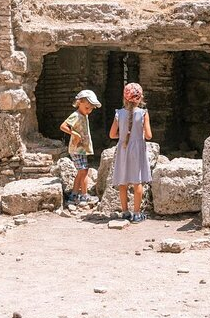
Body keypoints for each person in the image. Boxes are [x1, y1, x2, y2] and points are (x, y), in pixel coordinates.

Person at [109, 82, 152, 223]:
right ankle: (137, 213)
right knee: (137, 181)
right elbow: (149, 136)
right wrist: (141, 133)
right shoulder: (143, 113)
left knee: (123, 180)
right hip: (137, 150)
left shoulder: (118, 114)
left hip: (123, 148)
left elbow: (111, 135)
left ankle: (125, 212)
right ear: (140, 98)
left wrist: (122, 137)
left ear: (124, 98)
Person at [60, 89, 101, 205]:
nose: (89, 111)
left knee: (81, 172)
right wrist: (74, 133)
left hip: (81, 149)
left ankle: (73, 194)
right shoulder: (76, 115)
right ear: (79, 103)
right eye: (87, 108)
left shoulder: (83, 115)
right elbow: (63, 126)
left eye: (91, 109)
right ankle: (84, 195)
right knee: (84, 171)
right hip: (77, 149)